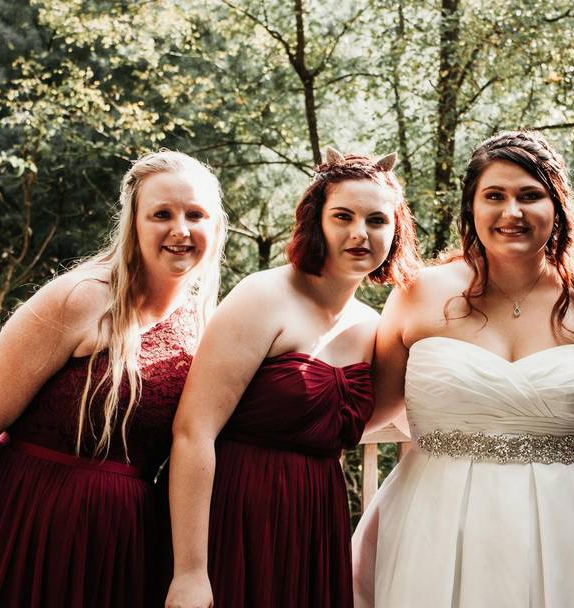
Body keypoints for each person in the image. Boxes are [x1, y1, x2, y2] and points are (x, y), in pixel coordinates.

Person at [351, 131, 574, 607]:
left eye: (530, 196)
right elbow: (374, 410)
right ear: (472, 208)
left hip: (569, 529)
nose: (512, 212)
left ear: (557, 206)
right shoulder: (418, 292)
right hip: (433, 522)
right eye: (494, 196)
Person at [0, 151, 227, 608]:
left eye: (195, 214)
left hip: (124, 545)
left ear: (214, 228)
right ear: (133, 224)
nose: (180, 229)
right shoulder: (80, 298)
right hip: (27, 524)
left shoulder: (203, 325)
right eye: (161, 214)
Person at [164, 147, 420, 608]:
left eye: (377, 221)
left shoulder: (370, 327)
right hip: (239, 511)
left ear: (395, 229)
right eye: (343, 216)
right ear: (316, 220)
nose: (360, 234)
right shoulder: (263, 296)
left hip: (316, 518)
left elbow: (380, 410)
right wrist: (190, 572)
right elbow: (192, 432)